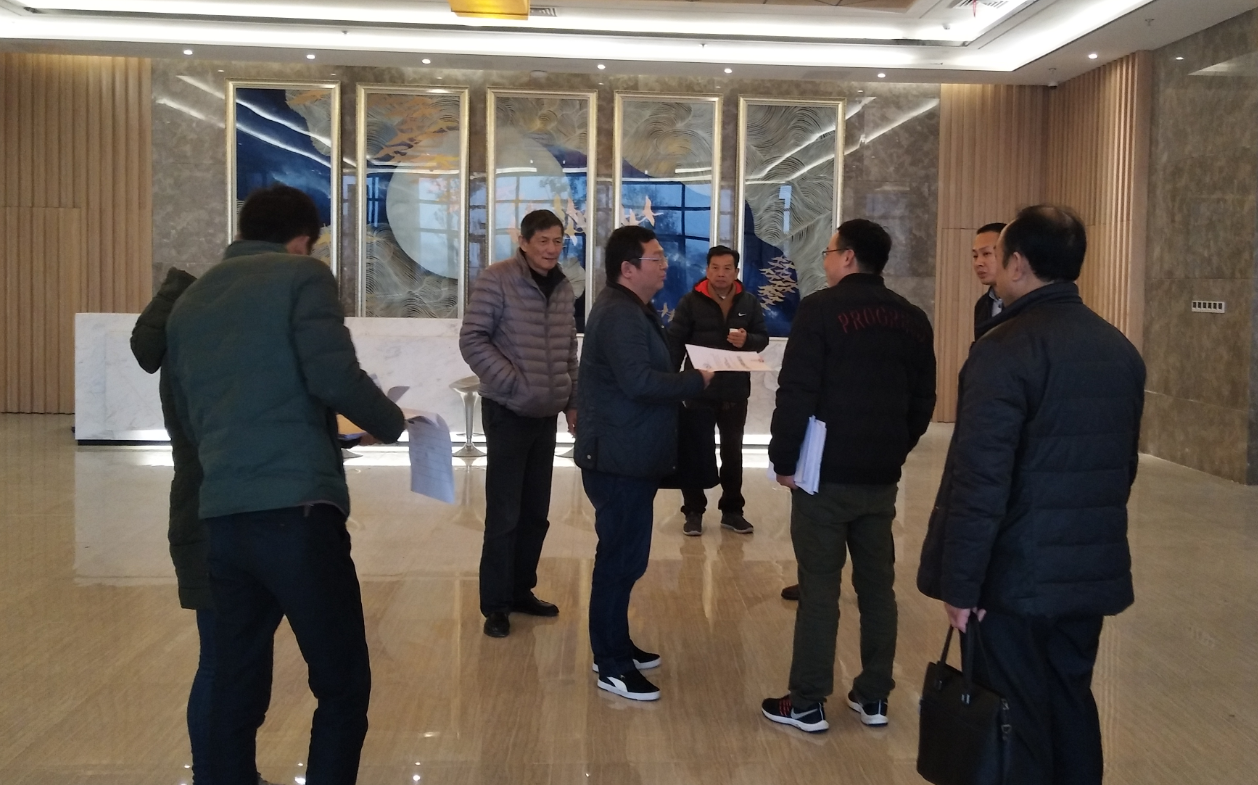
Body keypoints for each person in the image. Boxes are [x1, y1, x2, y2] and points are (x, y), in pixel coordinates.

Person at [166, 184, 406, 785]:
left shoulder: (192, 299)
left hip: (222, 517)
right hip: (297, 515)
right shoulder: (303, 276)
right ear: (302, 241)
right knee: (341, 682)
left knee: (236, 683)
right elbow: (334, 375)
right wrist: (392, 422)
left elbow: (192, 415)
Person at [917, 205, 1145, 785]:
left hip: (1013, 579)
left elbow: (980, 479)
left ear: (1018, 263)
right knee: (1071, 702)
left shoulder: (1004, 348)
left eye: (997, 256)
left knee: (1015, 719)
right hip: (1086, 572)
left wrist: (961, 583)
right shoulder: (1118, 349)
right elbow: (1121, 470)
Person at [760, 219, 936, 733]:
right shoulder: (912, 318)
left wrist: (783, 460)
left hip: (824, 475)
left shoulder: (820, 310)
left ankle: (808, 701)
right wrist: (895, 447)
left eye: (829, 251)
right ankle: (874, 696)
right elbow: (923, 399)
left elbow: (797, 389)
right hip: (880, 478)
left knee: (819, 588)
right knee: (878, 588)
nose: (826, 260)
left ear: (849, 257)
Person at [575, 225, 714, 701]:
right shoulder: (619, 313)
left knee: (627, 558)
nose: (665, 265)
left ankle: (617, 643)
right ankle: (610, 663)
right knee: (618, 560)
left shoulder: (634, 308)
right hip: (617, 459)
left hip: (631, 455)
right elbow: (639, 382)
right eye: (656, 258)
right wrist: (695, 381)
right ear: (628, 268)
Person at [459, 209, 579, 639]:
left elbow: (568, 348)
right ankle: (495, 605)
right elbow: (472, 338)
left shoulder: (564, 286)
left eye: (557, 241)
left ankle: (520, 589)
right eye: (543, 241)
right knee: (505, 514)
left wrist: (573, 401)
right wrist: (512, 382)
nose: (551, 249)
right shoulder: (498, 278)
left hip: (546, 413)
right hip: (507, 410)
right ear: (524, 243)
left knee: (535, 514)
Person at [666, 245, 769, 536]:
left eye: (727, 268)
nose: (720, 274)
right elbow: (675, 342)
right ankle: (693, 511)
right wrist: (670, 383)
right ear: (707, 269)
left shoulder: (749, 302)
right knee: (695, 452)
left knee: (733, 454)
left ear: (736, 272)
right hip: (698, 389)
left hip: (734, 391)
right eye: (715, 267)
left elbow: (762, 337)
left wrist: (748, 340)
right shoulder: (690, 301)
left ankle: (732, 511)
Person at [972, 222, 1007, 339]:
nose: (978, 263)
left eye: (986, 253)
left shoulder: (1024, 302)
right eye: (975, 256)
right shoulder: (982, 304)